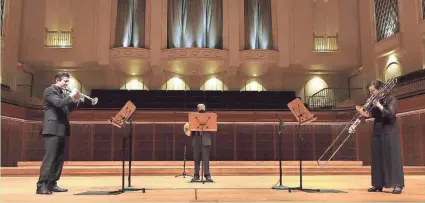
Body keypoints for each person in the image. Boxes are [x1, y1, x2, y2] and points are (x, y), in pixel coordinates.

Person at [356, 80, 404, 194]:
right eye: (370, 91)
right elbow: (374, 115)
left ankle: (398, 184)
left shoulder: (391, 99)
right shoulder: (374, 101)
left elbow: (391, 115)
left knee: (392, 157)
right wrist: (366, 115)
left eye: (373, 91)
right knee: (377, 157)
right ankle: (378, 184)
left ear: (380, 89)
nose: (371, 93)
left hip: (389, 130)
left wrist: (379, 106)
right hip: (378, 130)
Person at [36, 72, 80, 195]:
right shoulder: (49, 91)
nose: (67, 84)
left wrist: (75, 101)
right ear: (57, 80)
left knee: (59, 159)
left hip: (62, 129)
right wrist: (70, 96)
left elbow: (67, 108)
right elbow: (58, 103)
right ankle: (41, 185)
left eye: (68, 82)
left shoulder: (62, 93)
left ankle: (52, 183)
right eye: (65, 81)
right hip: (52, 129)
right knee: (50, 159)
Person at [190, 104, 213, 182]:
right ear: (197, 109)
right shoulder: (193, 118)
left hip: (205, 139)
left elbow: (212, 127)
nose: (201, 109)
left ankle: (207, 175)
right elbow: (190, 129)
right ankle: (196, 175)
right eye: (200, 108)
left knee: (206, 159)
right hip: (196, 139)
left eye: (203, 108)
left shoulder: (209, 118)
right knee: (196, 159)